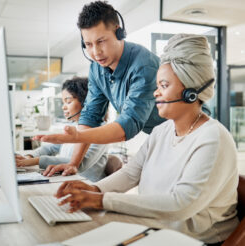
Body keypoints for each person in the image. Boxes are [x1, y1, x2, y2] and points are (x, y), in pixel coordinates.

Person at [53, 34, 239, 245]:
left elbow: (180, 205)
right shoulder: (162, 131)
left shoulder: (213, 138)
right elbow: (132, 172)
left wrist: (102, 200)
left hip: (195, 240)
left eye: (164, 85)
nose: (155, 92)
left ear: (191, 92)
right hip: (156, 231)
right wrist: (94, 190)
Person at [34, 1, 165, 177]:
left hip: (188, 131)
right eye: (88, 44)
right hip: (161, 135)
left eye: (101, 41)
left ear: (119, 32)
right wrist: (73, 163)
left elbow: (128, 125)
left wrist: (77, 137)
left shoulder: (143, 65)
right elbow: (90, 115)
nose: (95, 52)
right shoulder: (97, 68)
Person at [15, 77, 108, 182]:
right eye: (63, 102)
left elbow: (80, 165)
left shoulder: (101, 131)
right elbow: (51, 148)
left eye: (68, 102)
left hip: (87, 186)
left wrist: (35, 161)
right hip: (68, 181)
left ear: (85, 103)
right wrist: (29, 156)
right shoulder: (74, 127)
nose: (63, 107)